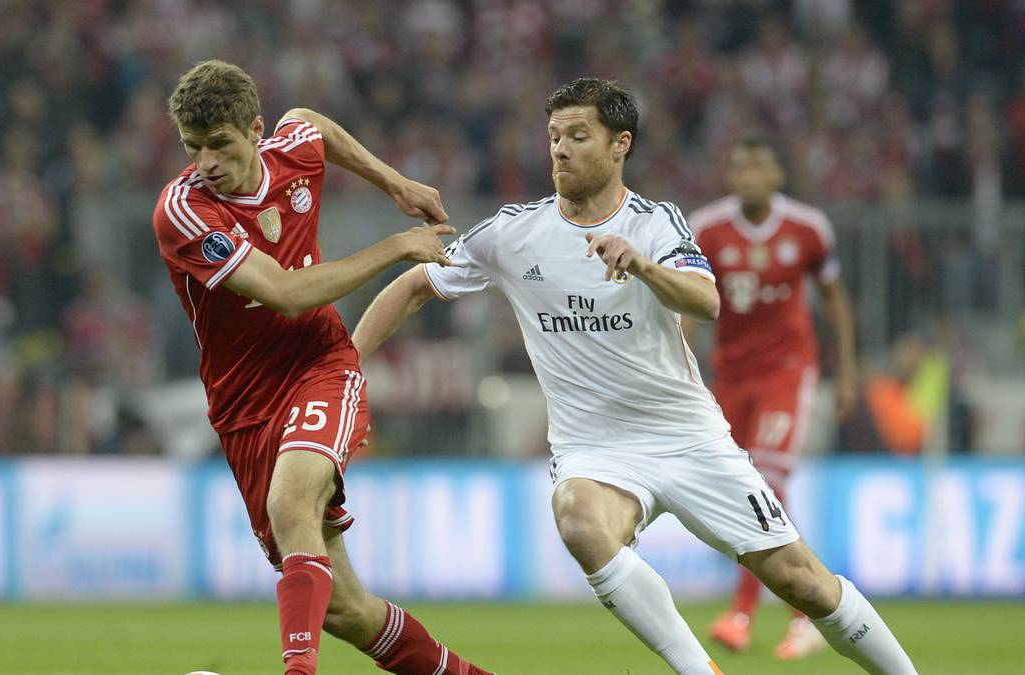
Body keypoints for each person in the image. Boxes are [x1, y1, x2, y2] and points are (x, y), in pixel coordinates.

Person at [353, 77, 916, 675]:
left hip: (689, 437)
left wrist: (643, 266)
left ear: (620, 144)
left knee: (803, 583)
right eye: (553, 137)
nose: (560, 150)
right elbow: (416, 284)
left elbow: (706, 301)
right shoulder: (513, 232)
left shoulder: (656, 224)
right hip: (595, 450)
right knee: (578, 518)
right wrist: (348, 365)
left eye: (577, 135)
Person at [151, 60, 493, 675]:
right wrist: (395, 245)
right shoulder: (184, 211)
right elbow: (284, 293)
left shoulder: (292, 154)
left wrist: (395, 184)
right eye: (193, 148)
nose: (206, 162)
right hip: (243, 407)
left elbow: (309, 123)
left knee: (292, 504)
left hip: (320, 365)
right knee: (344, 610)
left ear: (255, 132)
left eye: (220, 144)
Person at [682, 136, 858, 659]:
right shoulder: (706, 228)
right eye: (739, 167)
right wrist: (684, 369)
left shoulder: (807, 228)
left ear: (777, 174)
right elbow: (687, 303)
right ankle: (806, 614)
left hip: (788, 372)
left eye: (758, 166)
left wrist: (847, 373)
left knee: (768, 480)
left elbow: (834, 301)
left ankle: (742, 613)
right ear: (730, 177)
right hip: (730, 376)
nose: (749, 177)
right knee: (744, 489)